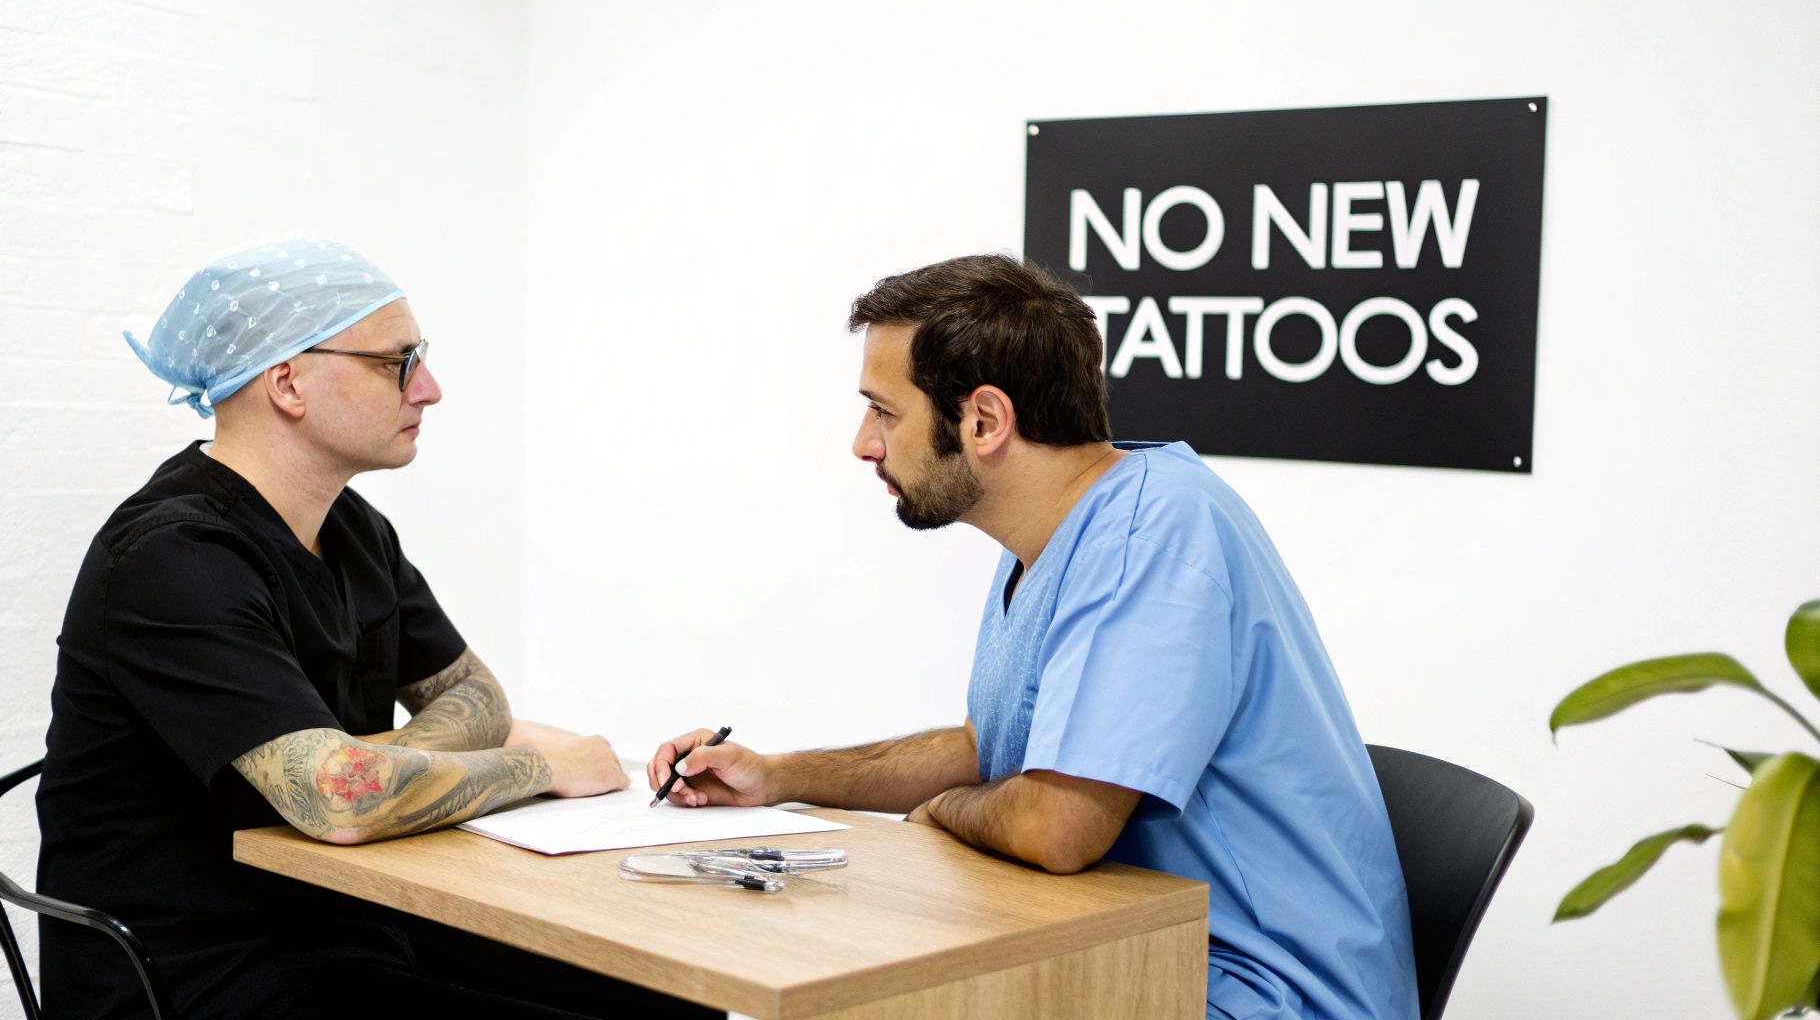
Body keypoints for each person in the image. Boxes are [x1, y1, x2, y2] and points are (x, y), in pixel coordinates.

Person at [649, 254, 1419, 1020]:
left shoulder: (1151, 531)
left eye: (884, 411)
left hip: (1261, 995)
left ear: (985, 421)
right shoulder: (1054, 539)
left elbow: (1059, 827)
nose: (863, 443)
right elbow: (990, 751)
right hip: (1130, 961)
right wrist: (777, 776)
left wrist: (948, 809)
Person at [37, 241, 717, 1019]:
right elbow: (341, 802)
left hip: (347, 920)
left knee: (668, 996)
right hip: (196, 972)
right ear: (287, 381)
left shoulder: (352, 527)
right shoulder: (174, 556)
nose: (428, 389)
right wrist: (533, 766)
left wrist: (368, 761)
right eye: (397, 362)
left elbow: (473, 694)